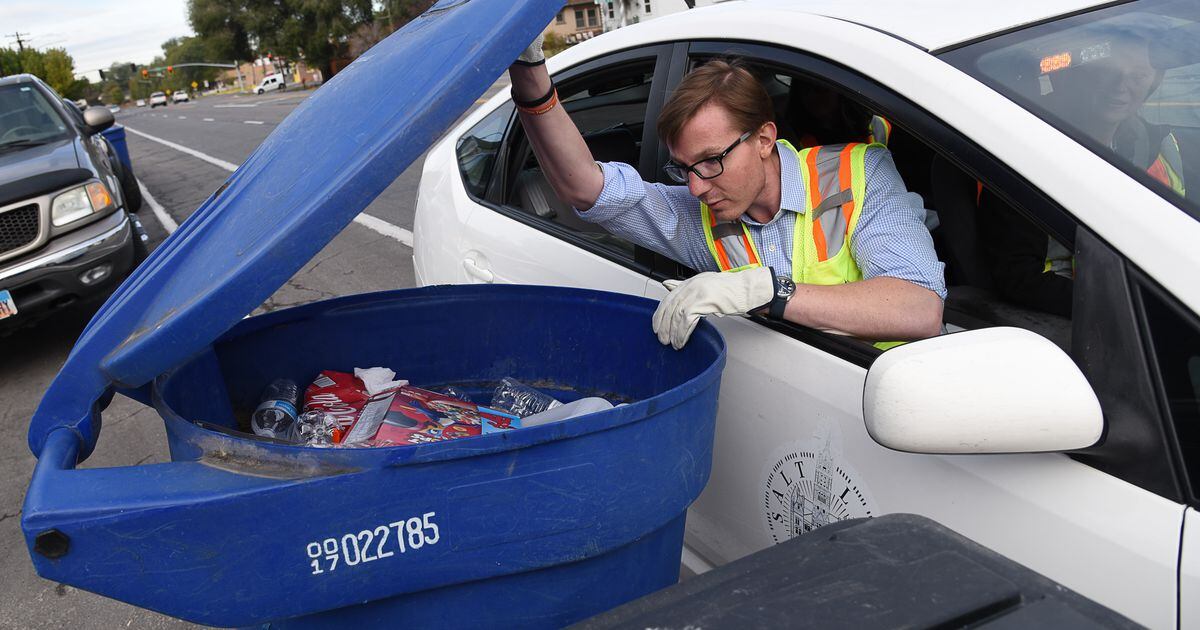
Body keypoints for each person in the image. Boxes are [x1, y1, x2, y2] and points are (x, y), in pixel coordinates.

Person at [509, 38, 945, 349]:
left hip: (899, 410)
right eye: (683, 169)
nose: (697, 187)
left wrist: (765, 290)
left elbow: (920, 308)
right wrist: (532, 83)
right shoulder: (700, 219)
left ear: (763, 139)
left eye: (712, 161)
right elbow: (585, 187)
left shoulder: (857, 174)